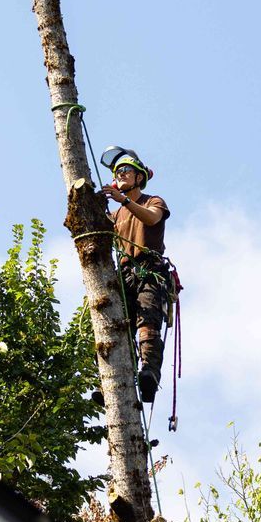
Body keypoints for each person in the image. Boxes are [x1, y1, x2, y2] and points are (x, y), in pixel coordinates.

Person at [100, 148, 172, 404]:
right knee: (117, 327)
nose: (120, 175)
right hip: (125, 275)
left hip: (150, 272)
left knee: (147, 323)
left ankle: (149, 373)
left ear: (139, 177)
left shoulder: (153, 201)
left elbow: (152, 219)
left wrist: (124, 201)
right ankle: (111, 380)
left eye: (126, 171)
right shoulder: (117, 214)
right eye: (117, 173)